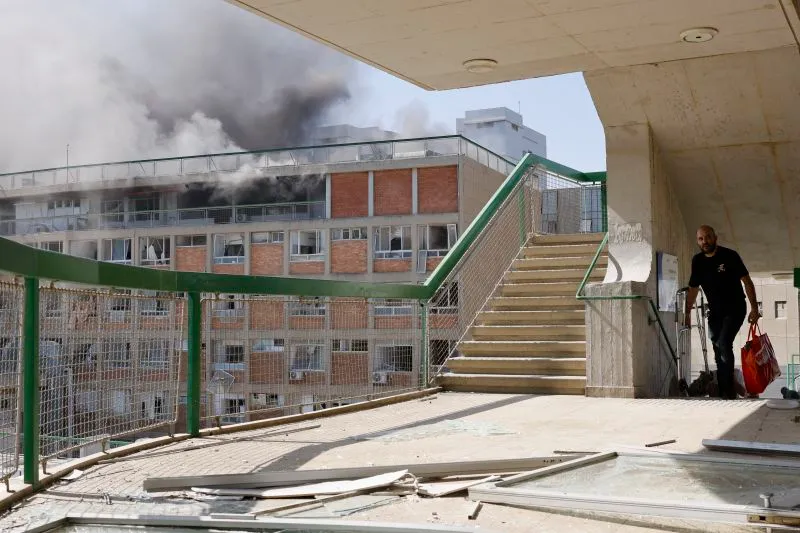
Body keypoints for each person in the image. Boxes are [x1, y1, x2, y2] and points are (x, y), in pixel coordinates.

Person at [685, 225, 759, 400]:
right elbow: (693, 288)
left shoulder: (730, 256)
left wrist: (755, 308)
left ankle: (727, 392)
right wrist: (687, 313)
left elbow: (747, 282)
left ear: (715, 238)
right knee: (717, 346)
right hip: (716, 311)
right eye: (701, 239)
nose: (705, 241)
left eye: (708, 237)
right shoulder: (697, 261)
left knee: (724, 343)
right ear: (697, 241)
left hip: (735, 308)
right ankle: (726, 388)